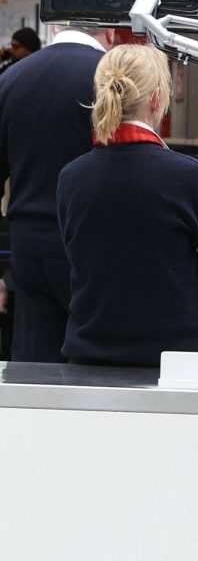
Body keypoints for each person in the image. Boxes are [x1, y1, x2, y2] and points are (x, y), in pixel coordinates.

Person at [57, 44, 198, 365]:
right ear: (156, 98)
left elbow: (73, 256)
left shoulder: (72, 176)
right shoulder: (188, 176)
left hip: (89, 352)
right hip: (172, 358)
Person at [0, 24, 113, 362]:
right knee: (98, 371)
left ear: (54, 26)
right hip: (92, 249)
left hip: (27, 250)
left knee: (35, 372)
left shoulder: (11, 79)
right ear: (108, 31)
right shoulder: (109, 80)